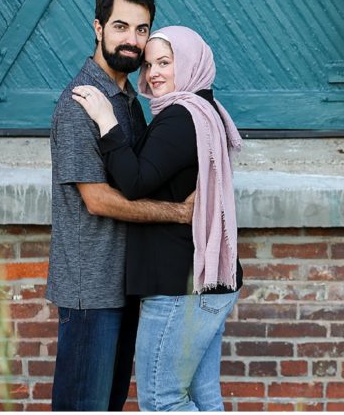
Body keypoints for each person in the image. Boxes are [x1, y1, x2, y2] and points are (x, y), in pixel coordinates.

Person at [72, 25, 244, 411]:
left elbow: (133, 182)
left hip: (178, 288)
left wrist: (106, 120)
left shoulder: (182, 117)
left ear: (190, 64)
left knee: (161, 401)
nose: (153, 75)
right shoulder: (205, 110)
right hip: (202, 283)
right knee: (202, 398)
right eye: (149, 65)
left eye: (164, 63)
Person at [46, 0, 196, 411]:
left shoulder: (129, 100)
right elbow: (97, 200)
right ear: (98, 29)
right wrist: (178, 214)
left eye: (141, 29)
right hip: (90, 290)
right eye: (120, 26)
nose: (132, 39)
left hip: (125, 284)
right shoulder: (80, 104)